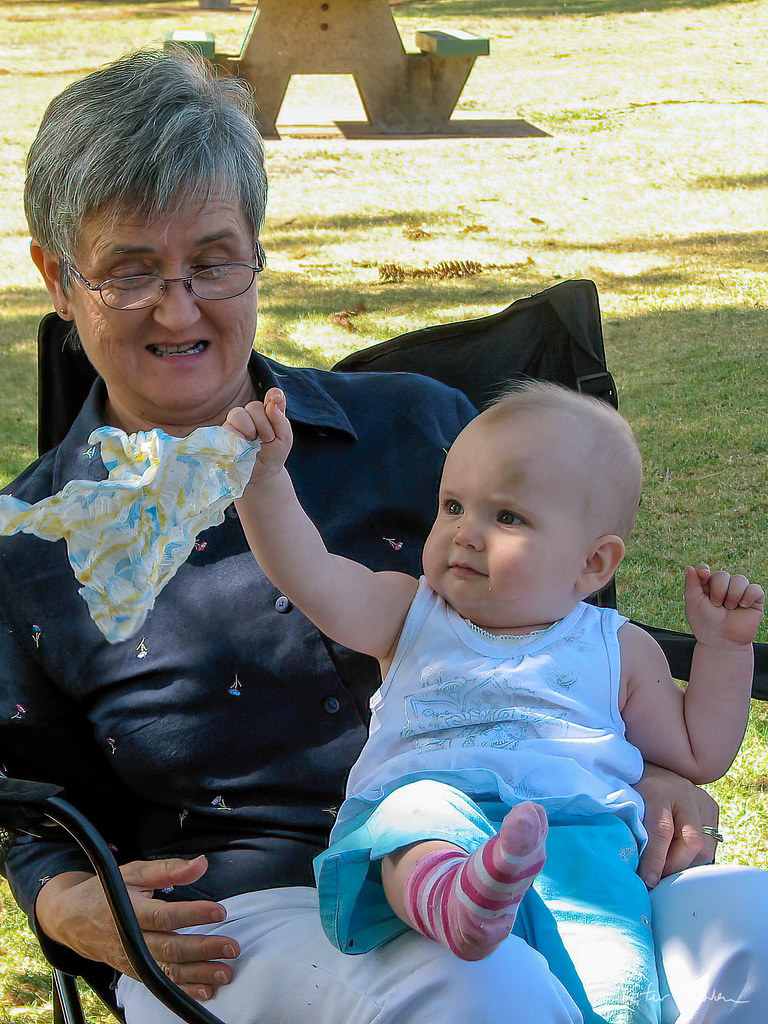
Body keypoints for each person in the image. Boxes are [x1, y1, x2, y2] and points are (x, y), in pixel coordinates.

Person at [0, 45, 767, 1024]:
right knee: (481, 994)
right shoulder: (30, 549)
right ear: (57, 280)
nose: (179, 305)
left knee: (755, 929)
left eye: (213, 260)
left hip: (549, 842)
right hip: (253, 913)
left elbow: (575, 650)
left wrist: (660, 770)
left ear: (259, 254)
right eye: (131, 271)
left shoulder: (421, 430)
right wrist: (69, 904)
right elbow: (34, 809)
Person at [223, 382, 763, 1021]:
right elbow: (308, 571)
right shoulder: (409, 615)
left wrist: (724, 650)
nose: (465, 534)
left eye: (506, 517)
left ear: (593, 564)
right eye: (452, 506)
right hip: (433, 822)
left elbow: (700, 752)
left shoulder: (618, 648)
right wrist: (262, 482)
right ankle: (457, 903)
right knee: (413, 817)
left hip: (579, 838)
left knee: (615, 993)